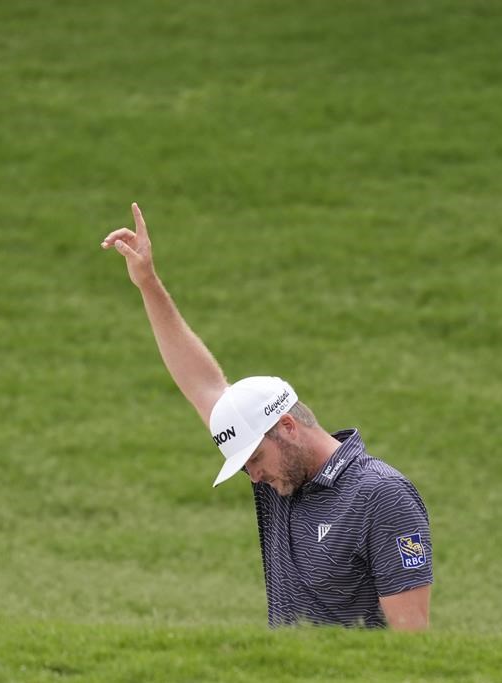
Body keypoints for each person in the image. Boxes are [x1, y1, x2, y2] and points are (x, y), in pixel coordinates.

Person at [100, 203, 433, 630]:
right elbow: (205, 388)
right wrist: (147, 283)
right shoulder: (281, 482)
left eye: (254, 459)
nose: (254, 476)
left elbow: (412, 642)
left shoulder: (382, 496)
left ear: (287, 428)